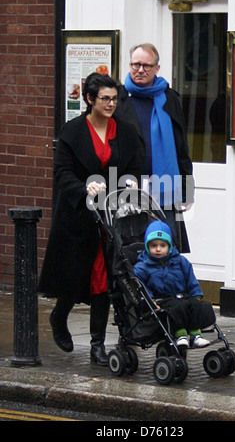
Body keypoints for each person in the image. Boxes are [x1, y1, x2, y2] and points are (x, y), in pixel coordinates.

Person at [38, 73, 143, 365]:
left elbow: (135, 166)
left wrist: (131, 182)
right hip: (77, 217)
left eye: (114, 99)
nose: (111, 104)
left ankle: (98, 344)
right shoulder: (72, 132)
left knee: (102, 279)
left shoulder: (125, 131)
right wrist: (84, 187)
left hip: (111, 217)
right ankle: (60, 316)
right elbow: (62, 173)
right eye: (105, 99)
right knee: (73, 278)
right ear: (89, 100)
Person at [114, 43, 194, 253]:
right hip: (128, 185)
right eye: (136, 64)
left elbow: (180, 145)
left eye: (146, 66)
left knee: (166, 244)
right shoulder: (118, 99)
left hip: (165, 186)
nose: (140, 70)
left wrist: (187, 188)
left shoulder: (170, 98)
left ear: (157, 69)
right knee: (132, 247)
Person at [134, 221, 210, 348]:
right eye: (153, 246)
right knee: (176, 307)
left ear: (169, 246)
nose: (158, 249)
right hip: (162, 299)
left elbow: (190, 278)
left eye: (162, 245)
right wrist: (150, 301)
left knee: (195, 304)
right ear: (147, 247)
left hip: (181, 295)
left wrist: (196, 294)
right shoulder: (142, 267)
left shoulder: (180, 261)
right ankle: (181, 334)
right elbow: (143, 287)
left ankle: (196, 334)